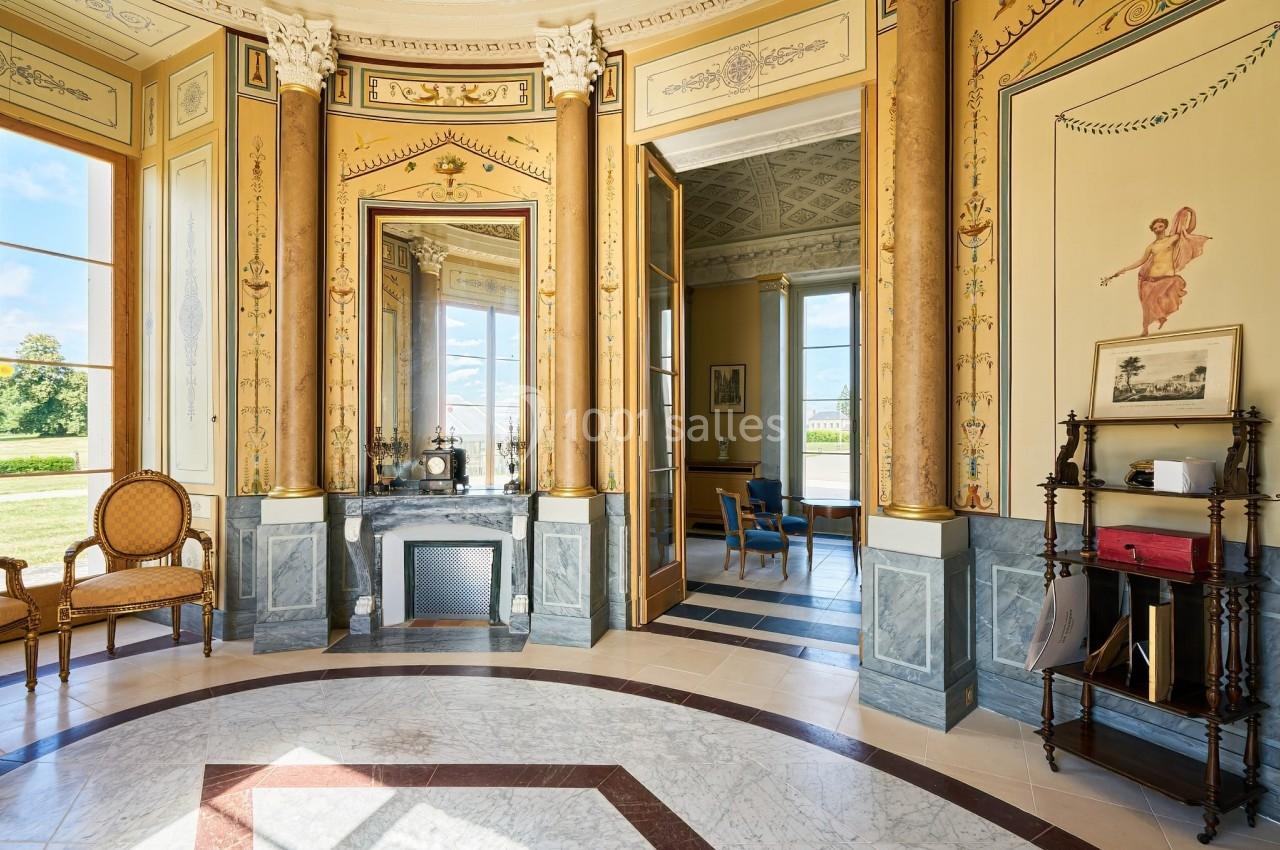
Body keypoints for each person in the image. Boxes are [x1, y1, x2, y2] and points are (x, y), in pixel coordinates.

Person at [1100, 206, 1210, 336]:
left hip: (1166, 278)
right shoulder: (1151, 246)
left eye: (1160, 226)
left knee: (1157, 301)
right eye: (1155, 228)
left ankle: (1160, 318)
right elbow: (1141, 261)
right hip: (1150, 279)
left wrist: (1192, 212)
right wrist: (1123, 269)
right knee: (1146, 305)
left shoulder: (1173, 238)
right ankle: (1145, 329)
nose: (1158, 229)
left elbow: (1190, 230)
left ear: (1164, 227)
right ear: (1153, 230)